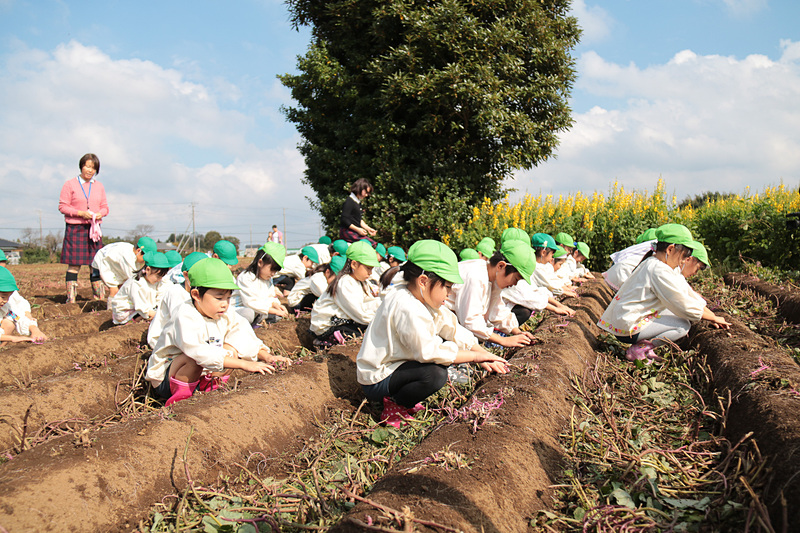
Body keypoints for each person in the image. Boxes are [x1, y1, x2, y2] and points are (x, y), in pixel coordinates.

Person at [357, 240, 509, 427]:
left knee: (437, 367)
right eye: (447, 287)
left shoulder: (420, 296)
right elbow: (429, 352)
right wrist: (476, 357)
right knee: (435, 374)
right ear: (423, 281)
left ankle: (401, 399)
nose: (449, 293)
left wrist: (483, 353)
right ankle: (393, 404)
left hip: (395, 366)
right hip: (377, 378)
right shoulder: (407, 306)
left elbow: (451, 327)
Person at [145, 258, 291, 406]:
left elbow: (244, 336)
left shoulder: (225, 313)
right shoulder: (184, 314)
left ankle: (210, 392)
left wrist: (268, 357)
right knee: (193, 360)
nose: (224, 304)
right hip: (167, 377)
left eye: (228, 298)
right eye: (219, 298)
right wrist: (245, 364)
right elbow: (198, 352)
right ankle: (180, 400)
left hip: (201, 372)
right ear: (196, 295)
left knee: (232, 351)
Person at [598, 224, 731, 362]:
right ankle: (640, 349)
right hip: (628, 326)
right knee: (682, 326)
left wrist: (713, 316)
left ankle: (645, 347)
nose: (684, 261)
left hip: (627, 319)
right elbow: (682, 304)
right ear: (670, 249)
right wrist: (713, 318)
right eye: (684, 255)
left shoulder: (656, 263)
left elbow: (686, 294)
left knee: (676, 315)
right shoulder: (658, 270)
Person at [446, 239, 537, 348]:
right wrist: (503, 340)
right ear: (501, 266)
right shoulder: (475, 277)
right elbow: (470, 321)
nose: (514, 284)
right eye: (516, 279)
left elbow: (497, 311)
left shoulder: (492, 278)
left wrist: (518, 332)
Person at [59, 153, 110, 303]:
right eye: (87, 166)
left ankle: (99, 299)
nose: (89, 170)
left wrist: (100, 214)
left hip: (94, 230)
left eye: (93, 168)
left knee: (95, 264)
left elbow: (105, 207)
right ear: (81, 166)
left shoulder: (99, 186)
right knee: (74, 265)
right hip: (75, 228)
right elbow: (63, 206)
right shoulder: (70, 184)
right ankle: (71, 299)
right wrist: (80, 213)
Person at [310, 240, 381, 346]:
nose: (370, 273)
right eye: (368, 268)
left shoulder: (361, 282)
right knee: (365, 333)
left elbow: (369, 302)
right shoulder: (345, 283)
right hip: (326, 327)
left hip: (345, 320)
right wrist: (379, 320)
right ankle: (325, 341)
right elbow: (360, 314)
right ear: (354, 264)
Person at [147, 252, 208, 349]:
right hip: (165, 343)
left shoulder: (202, 294)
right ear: (186, 275)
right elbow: (181, 326)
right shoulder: (176, 292)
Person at [232, 243, 289, 326]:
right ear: (260, 262)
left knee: (277, 316)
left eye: (275, 271)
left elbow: (270, 296)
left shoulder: (267, 279)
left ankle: (256, 323)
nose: (273, 274)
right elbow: (250, 303)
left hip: (258, 311)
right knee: (248, 314)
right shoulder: (246, 277)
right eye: (272, 269)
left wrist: (276, 305)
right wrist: (275, 311)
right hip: (241, 310)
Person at [109, 252, 170, 325]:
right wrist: (154, 314)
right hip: (125, 313)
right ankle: (134, 321)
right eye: (158, 277)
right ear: (148, 270)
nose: (159, 279)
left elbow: (160, 295)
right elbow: (140, 306)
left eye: (161, 277)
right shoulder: (136, 284)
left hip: (140, 309)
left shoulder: (154, 281)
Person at [91, 237, 158, 299]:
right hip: (102, 261)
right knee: (114, 290)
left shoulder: (133, 253)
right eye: (145, 258)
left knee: (122, 288)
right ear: (138, 251)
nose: (145, 261)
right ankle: (110, 307)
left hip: (113, 263)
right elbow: (133, 278)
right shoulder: (127, 257)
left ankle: (119, 304)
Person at [0, 266, 47, 346]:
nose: (6, 301)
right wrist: (13, 338)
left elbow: (17, 317)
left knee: (8, 324)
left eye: (9, 297)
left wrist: (34, 329)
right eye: (3, 297)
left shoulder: (5, 307)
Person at [340, 178, 377, 244]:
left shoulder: (357, 202)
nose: (366, 195)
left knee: (372, 244)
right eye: (366, 192)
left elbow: (358, 220)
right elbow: (344, 219)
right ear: (360, 189)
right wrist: (358, 229)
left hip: (354, 231)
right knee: (372, 244)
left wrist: (368, 229)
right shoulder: (350, 201)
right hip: (347, 231)